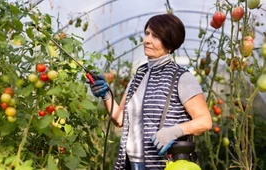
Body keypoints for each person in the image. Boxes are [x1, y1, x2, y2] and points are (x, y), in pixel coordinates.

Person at [89, 14, 212, 170]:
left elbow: (205, 121)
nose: (146, 40)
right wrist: (106, 95)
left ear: (170, 42)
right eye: (147, 33)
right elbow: (120, 119)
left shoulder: (181, 77)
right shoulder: (139, 76)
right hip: (130, 163)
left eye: (155, 36)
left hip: (162, 165)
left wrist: (174, 131)